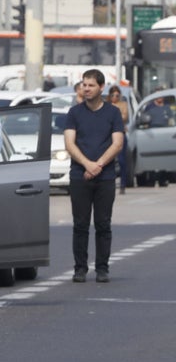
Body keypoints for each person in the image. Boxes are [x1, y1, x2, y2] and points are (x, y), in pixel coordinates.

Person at [64, 68, 125, 283]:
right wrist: (87, 165)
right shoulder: (74, 113)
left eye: (90, 85)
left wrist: (98, 165)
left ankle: (102, 269)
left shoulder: (113, 113)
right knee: (80, 225)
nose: (86, 89)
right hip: (80, 176)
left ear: (101, 87)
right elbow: (69, 143)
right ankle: (80, 269)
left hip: (105, 177)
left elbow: (117, 143)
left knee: (103, 224)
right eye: (84, 84)